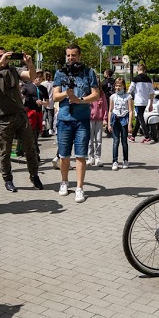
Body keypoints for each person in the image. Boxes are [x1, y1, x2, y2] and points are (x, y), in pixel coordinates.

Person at [0, 47, 43, 192]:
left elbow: (31, 76)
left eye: (4, 55)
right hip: (3, 117)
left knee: (30, 147)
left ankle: (34, 175)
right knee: (5, 151)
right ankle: (8, 179)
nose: (3, 58)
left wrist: (30, 64)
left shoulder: (14, 70)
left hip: (20, 115)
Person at [52, 43, 101, 202]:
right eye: (68, 55)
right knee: (64, 155)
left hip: (82, 120)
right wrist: (67, 93)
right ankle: (64, 182)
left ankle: (80, 188)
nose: (71, 58)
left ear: (79, 56)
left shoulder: (89, 72)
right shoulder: (60, 73)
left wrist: (79, 100)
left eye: (74, 55)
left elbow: (96, 95)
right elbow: (55, 96)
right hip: (65, 119)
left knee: (81, 155)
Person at [107, 76, 132, 170]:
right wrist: (109, 123)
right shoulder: (112, 97)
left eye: (120, 86)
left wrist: (129, 124)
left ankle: (125, 160)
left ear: (124, 86)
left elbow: (130, 111)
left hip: (124, 120)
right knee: (115, 141)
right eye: (116, 86)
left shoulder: (128, 97)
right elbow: (110, 110)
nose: (118, 87)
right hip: (115, 119)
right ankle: (115, 161)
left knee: (124, 142)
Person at [128, 62, 153, 142]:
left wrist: (127, 96)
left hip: (138, 102)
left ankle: (147, 136)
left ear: (138, 69)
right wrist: (151, 104)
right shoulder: (149, 80)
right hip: (145, 102)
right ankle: (133, 136)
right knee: (139, 119)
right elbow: (151, 93)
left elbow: (130, 90)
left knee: (140, 118)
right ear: (144, 70)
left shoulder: (135, 79)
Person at [87, 80, 109, 166]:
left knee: (99, 140)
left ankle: (97, 157)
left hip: (99, 119)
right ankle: (90, 157)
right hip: (90, 119)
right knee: (90, 140)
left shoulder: (102, 95)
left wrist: (105, 119)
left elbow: (105, 107)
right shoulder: (88, 94)